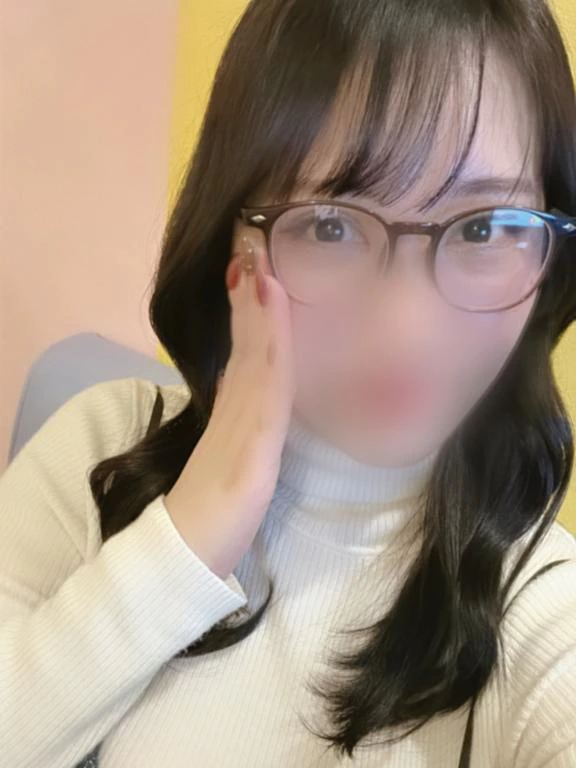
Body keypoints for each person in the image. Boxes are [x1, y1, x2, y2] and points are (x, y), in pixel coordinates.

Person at [2, 0, 576, 765]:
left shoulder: (540, 610)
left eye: (483, 227)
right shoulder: (102, 447)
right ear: (232, 238)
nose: (406, 325)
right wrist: (191, 533)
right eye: (330, 226)